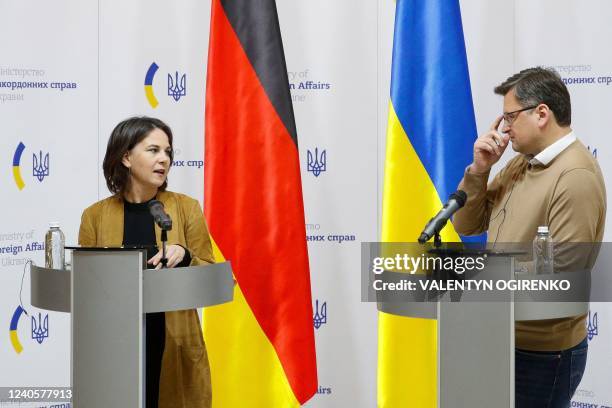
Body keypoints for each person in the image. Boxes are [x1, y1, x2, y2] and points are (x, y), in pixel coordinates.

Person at [453, 67, 606, 407]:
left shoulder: (575, 176)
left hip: (542, 353)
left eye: (510, 117)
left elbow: (560, 282)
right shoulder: (521, 164)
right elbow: (467, 223)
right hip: (503, 337)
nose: (504, 128)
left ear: (541, 114)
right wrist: (479, 170)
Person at [78, 116, 214, 408]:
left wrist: (186, 255)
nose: (163, 159)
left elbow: (210, 276)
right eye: (153, 150)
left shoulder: (186, 208)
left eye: (168, 152)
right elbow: (86, 289)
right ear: (126, 157)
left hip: (173, 344)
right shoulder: (95, 216)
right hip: (117, 348)